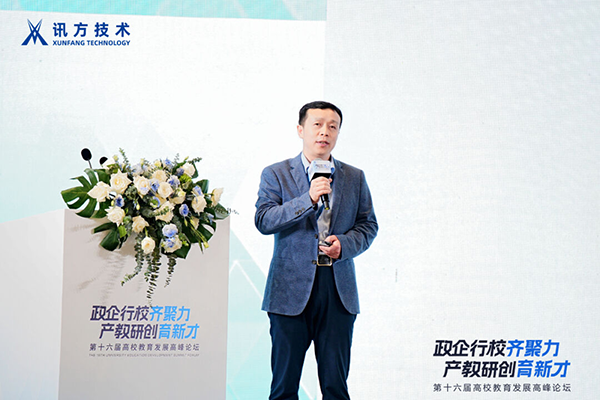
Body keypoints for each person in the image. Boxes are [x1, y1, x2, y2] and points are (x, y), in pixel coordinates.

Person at [255, 101, 378, 400]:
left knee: (336, 387)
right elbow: (264, 220)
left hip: (337, 290)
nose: (325, 132)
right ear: (301, 130)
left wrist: (344, 245)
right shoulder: (276, 173)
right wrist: (307, 199)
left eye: (332, 127)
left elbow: (368, 225)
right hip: (289, 291)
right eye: (317, 125)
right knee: (283, 388)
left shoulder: (354, 177)